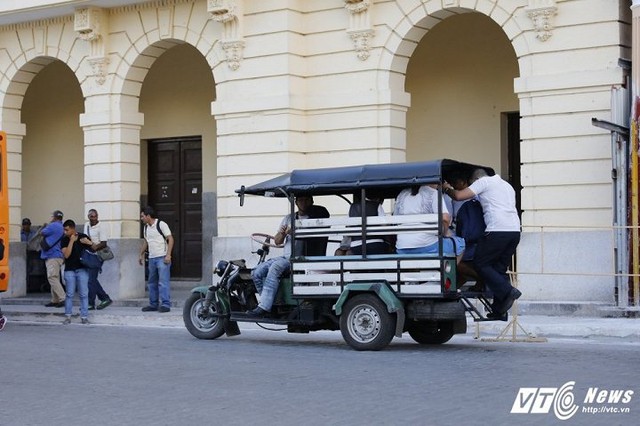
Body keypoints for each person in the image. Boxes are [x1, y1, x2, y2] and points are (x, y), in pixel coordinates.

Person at [443, 168, 521, 317]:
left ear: (475, 180)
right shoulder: (506, 185)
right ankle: (499, 310)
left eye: (471, 185)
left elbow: (459, 196)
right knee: (498, 269)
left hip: (497, 230)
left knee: (480, 263)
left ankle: (508, 291)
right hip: (514, 232)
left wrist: (447, 189)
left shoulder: (484, 182)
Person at [248, 195, 329, 317]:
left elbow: (313, 238)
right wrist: (282, 233)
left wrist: (295, 232)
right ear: (296, 202)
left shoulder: (316, 218)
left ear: (312, 201)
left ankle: (264, 307)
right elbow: (277, 241)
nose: (304, 202)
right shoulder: (289, 218)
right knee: (256, 272)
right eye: (301, 199)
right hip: (285, 257)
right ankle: (272, 303)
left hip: (299, 258)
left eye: (307, 199)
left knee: (275, 267)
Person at [393, 185, 465, 258]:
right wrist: (444, 233)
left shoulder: (402, 194)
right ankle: (447, 269)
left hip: (402, 248)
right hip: (428, 246)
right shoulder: (433, 193)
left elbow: (395, 220)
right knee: (460, 244)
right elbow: (445, 218)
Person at [139, 206, 174, 313]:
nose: (141, 218)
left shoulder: (161, 224)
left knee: (163, 282)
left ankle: (165, 304)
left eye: (142, 216)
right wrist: (141, 254)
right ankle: (153, 304)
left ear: (148, 216)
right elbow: (146, 241)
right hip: (151, 258)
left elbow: (170, 238)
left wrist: (168, 255)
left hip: (162, 257)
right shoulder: (146, 228)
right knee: (151, 282)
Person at [60, 219, 92, 325]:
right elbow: (66, 255)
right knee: (69, 294)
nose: (65, 232)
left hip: (82, 269)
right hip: (69, 270)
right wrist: (71, 241)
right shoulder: (64, 240)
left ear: (73, 229)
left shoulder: (83, 236)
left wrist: (89, 242)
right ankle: (68, 316)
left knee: (84, 294)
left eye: (67, 230)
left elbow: (94, 250)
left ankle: (84, 316)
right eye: (64, 230)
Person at [84, 209, 112, 310]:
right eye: (91, 217)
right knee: (91, 280)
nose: (93, 219)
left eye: (95, 216)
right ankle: (97, 301)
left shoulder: (102, 227)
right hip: (88, 254)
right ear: (88, 217)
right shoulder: (86, 226)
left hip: (98, 255)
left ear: (98, 216)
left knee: (91, 280)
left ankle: (100, 300)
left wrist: (93, 245)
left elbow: (104, 243)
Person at [41, 210, 66, 307]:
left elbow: (42, 233)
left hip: (52, 255)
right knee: (55, 277)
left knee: (52, 277)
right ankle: (55, 300)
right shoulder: (63, 226)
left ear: (55, 217)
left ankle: (62, 298)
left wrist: (46, 225)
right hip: (59, 256)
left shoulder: (52, 225)